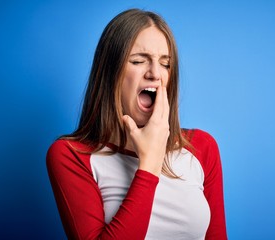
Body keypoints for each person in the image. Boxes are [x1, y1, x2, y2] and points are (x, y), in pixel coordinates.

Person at [46, 8, 227, 240]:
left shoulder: (202, 147)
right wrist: (149, 163)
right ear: (110, 73)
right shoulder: (71, 156)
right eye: (139, 61)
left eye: (165, 64)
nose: (155, 73)